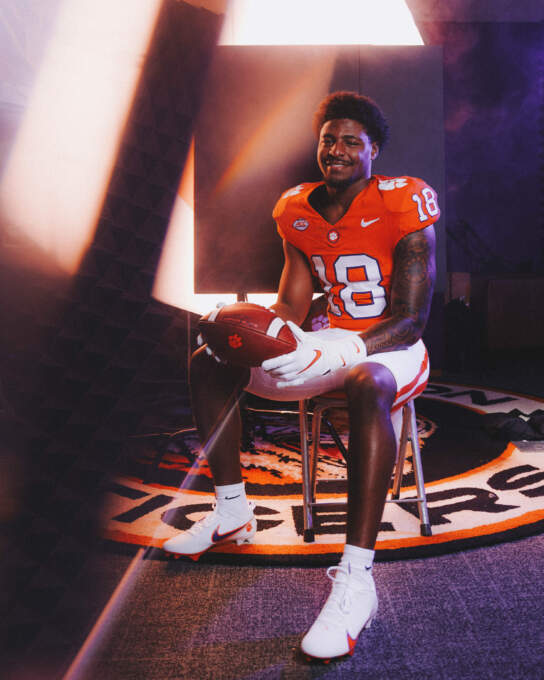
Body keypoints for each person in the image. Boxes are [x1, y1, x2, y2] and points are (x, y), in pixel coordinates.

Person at [163, 91, 439, 660]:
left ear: (374, 150)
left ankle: (356, 578)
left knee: (366, 381)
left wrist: (351, 349)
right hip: (326, 336)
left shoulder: (404, 200)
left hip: (392, 346)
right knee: (210, 361)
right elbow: (292, 300)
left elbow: (411, 318)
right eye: (328, 140)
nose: (336, 150)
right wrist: (256, 331)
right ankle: (232, 511)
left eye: (351, 142)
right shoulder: (295, 207)